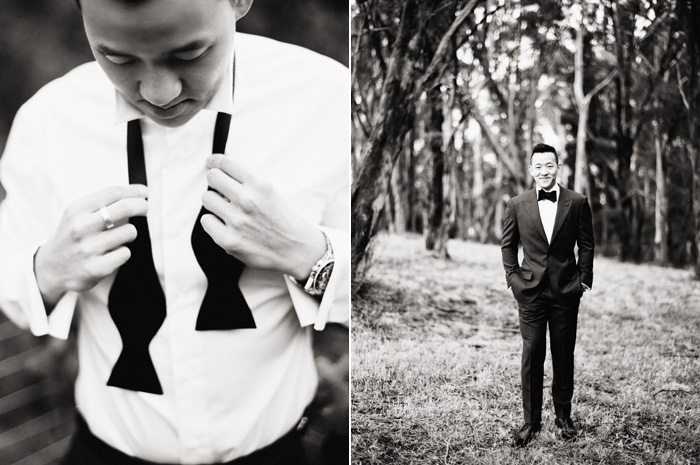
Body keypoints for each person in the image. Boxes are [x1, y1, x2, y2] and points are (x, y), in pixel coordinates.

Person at [0, 0, 349, 464]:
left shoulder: (326, 99)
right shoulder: (49, 122)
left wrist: (311, 256)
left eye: (189, 55)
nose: (159, 92)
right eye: (118, 59)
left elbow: (388, 288)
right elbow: (13, 288)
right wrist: (45, 271)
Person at [500, 143, 594, 447]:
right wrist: (513, 279)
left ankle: (564, 418)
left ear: (558, 167)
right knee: (532, 353)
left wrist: (583, 280)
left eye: (549, 166)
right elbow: (508, 245)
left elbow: (587, 244)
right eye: (538, 166)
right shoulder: (517, 204)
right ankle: (531, 422)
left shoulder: (577, 202)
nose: (544, 171)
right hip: (530, 291)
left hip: (566, 290)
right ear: (531, 170)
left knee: (563, 355)